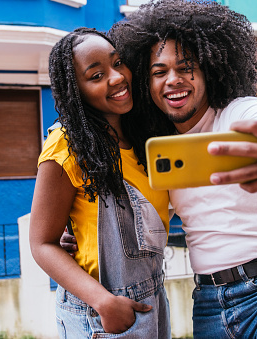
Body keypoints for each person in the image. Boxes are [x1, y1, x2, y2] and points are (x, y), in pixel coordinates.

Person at [105, 1, 257, 338]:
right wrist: (83, 231)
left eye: (186, 67)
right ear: (147, 84)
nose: (173, 80)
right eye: (159, 72)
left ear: (209, 70)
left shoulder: (241, 114)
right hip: (208, 304)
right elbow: (146, 219)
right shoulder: (162, 153)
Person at [29, 27, 171, 338]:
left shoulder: (142, 141)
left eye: (118, 63)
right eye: (96, 76)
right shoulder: (66, 146)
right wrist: (103, 302)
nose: (117, 77)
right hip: (101, 313)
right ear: (76, 90)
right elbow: (42, 243)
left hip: (153, 301)